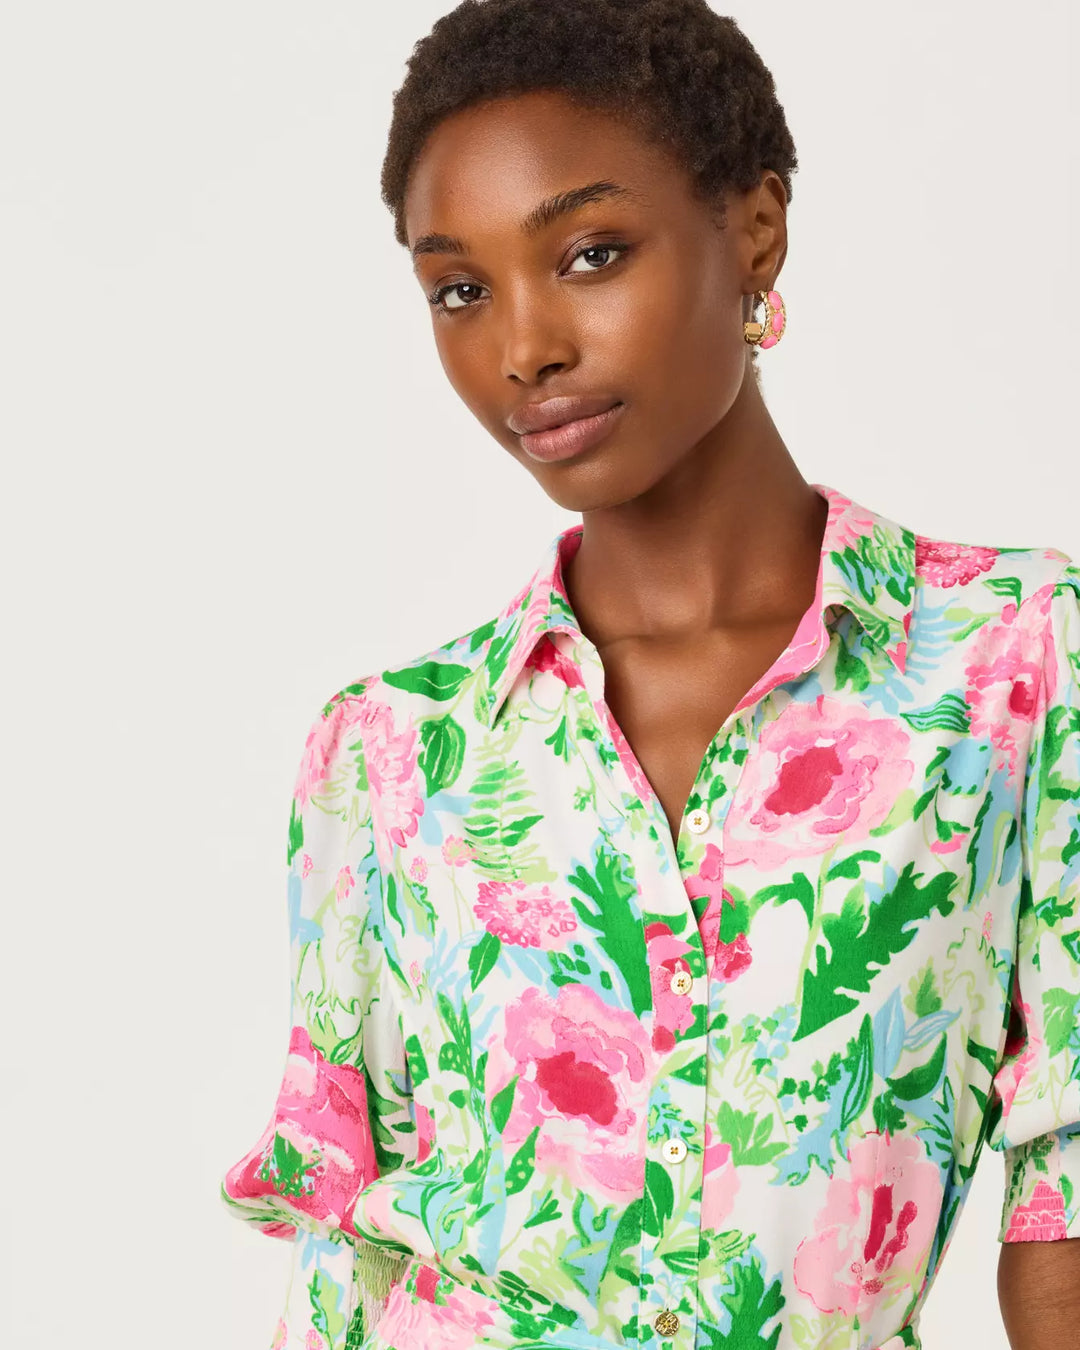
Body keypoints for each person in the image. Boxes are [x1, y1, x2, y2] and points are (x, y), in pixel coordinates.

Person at [219, 3, 1080, 1348]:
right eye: (461, 288)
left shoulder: (1018, 655)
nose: (523, 348)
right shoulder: (391, 749)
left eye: (589, 253)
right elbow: (348, 1261)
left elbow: (1066, 1174)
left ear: (754, 231)